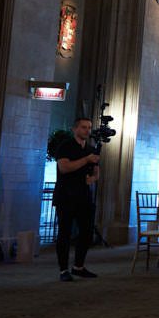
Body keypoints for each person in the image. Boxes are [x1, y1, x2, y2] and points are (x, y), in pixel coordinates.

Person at [53, 114, 100, 281]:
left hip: (84, 197)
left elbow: (96, 171)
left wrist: (92, 178)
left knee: (86, 233)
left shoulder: (91, 148)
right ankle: (63, 270)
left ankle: (78, 266)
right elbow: (64, 168)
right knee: (64, 233)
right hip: (66, 196)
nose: (87, 130)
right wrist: (85, 159)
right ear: (75, 129)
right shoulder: (65, 146)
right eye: (83, 127)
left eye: (88, 127)